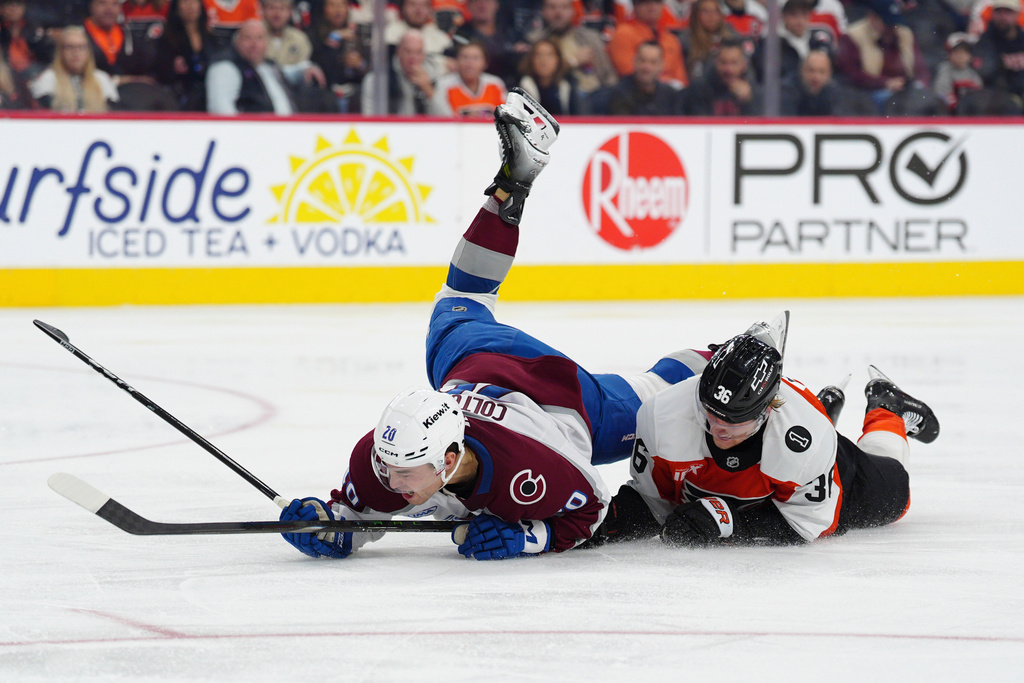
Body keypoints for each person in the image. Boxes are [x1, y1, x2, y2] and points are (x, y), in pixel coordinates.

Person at [278, 88, 709, 561]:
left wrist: (529, 537)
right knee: (461, 298)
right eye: (389, 468)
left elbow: (591, 512)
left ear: (447, 460)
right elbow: (349, 521)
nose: (389, 482)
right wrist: (324, 525)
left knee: (660, 400)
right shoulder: (381, 459)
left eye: (403, 474)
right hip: (478, 357)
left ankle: (734, 353)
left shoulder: (539, 465)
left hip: (567, 398)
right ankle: (512, 183)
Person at [586, 312, 940, 549]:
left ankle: (886, 408)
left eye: (733, 420)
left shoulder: (805, 439)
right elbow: (654, 503)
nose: (717, 428)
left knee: (896, 497)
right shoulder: (661, 415)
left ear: (768, 410)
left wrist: (732, 524)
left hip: (819, 459)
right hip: (789, 455)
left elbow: (811, 524)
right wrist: (599, 523)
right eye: (709, 413)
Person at [205, 18, 324, 114]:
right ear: (236, 42)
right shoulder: (226, 67)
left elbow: (286, 72)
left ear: (267, 43)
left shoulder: (269, 66)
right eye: (248, 38)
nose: (254, 44)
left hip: (289, 129)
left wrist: (305, 69)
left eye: (259, 38)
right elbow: (221, 108)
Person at [834, 0, 930, 113]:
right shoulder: (853, 36)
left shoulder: (905, 34)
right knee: (887, 100)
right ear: (872, 18)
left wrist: (921, 84)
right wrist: (885, 83)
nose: (892, 27)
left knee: (925, 99)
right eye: (887, 23)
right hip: (869, 92)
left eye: (894, 23)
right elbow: (851, 74)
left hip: (905, 90)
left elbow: (920, 67)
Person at [526, 0, 617, 95]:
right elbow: (540, 76)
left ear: (573, 11)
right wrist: (574, 61)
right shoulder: (536, 42)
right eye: (552, 7)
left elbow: (608, 74)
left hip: (596, 93)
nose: (558, 13)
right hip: (557, 96)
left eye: (564, 7)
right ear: (543, 11)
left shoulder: (590, 38)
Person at [29, 24, 119, 111]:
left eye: (81, 47)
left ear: (88, 52)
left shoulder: (101, 79)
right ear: (60, 51)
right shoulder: (48, 79)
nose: (76, 52)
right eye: (70, 47)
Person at [607, 0, 688, 87]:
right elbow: (630, 73)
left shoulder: (671, 39)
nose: (652, 7)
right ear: (635, 6)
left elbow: (681, 78)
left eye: (657, 2)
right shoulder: (623, 34)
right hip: (636, 91)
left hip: (671, 91)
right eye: (645, 2)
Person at [153, 0, 214, 110]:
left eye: (194, 2)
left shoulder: (210, 36)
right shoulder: (167, 37)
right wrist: (172, 67)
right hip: (178, 96)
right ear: (177, 7)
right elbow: (159, 69)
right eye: (185, 2)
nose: (190, 6)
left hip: (208, 94)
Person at [451, 0, 526, 88]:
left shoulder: (511, 31)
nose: (482, 5)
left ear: (496, 4)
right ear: (469, 5)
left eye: (487, 1)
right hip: (477, 86)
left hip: (514, 85)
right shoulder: (461, 34)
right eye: (477, 1)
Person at [679, 37, 761, 115]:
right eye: (723, 62)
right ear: (715, 62)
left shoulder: (755, 92)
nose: (728, 69)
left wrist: (748, 101)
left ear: (745, 64)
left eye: (734, 63)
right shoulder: (699, 90)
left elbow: (760, 121)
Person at [779, 48, 875, 116]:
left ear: (829, 74)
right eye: (811, 70)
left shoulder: (836, 94)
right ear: (801, 71)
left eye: (822, 72)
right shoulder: (788, 91)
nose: (816, 77)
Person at [310, 0, 367, 112]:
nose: (337, 10)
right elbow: (320, 69)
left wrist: (360, 64)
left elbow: (371, 70)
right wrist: (334, 38)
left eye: (341, 5)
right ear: (324, 9)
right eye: (332, 5)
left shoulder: (358, 33)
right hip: (327, 93)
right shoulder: (314, 33)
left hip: (355, 92)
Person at [360, 27, 432, 114]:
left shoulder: (433, 76)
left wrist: (428, 91)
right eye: (408, 52)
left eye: (418, 52)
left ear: (424, 55)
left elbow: (444, 116)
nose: (413, 58)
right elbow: (369, 118)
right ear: (399, 52)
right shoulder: (376, 80)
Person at [429, 39, 505, 116]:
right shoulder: (444, 85)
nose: (469, 63)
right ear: (456, 61)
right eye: (465, 57)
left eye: (475, 58)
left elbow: (506, 116)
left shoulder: (495, 84)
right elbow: (442, 118)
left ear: (485, 63)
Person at [384, 0, 453, 82]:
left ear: (430, 9)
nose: (418, 10)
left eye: (424, 5)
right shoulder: (389, 33)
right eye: (413, 5)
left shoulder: (440, 38)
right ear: (403, 7)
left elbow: (452, 66)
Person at [606, 40, 678, 115]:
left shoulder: (669, 95)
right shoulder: (620, 93)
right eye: (642, 61)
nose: (647, 67)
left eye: (653, 62)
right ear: (634, 61)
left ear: (661, 65)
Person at [975, 0, 1024, 101]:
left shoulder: (1022, 38)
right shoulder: (985, 40)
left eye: (1008, 12)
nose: (1003, 17)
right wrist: (1001, 63)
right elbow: (984, 70)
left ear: (1017, 14)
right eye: (999, 12)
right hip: (996, 98)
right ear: (992, 14)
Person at [516, 37, 579, 115]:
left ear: (558, 59)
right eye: (538, 55)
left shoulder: (567, 86)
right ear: (531, 59)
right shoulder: (521, 87)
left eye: (549, 55)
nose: (544, 61)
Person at [679, 0, 738, 83]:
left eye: (716, 11)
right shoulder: (686, 40)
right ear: (696, 15)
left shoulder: (731, 36)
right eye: (706, 11)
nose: (711, 16)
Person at [933, 31, 983, 111]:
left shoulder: (972, 74)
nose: (961, 56)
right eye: (957, 52)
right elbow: (941, 96)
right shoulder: (945, 70)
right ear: (949, 54)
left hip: (970, 113)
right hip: (949, 113)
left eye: (965, 52)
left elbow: (980, 95)